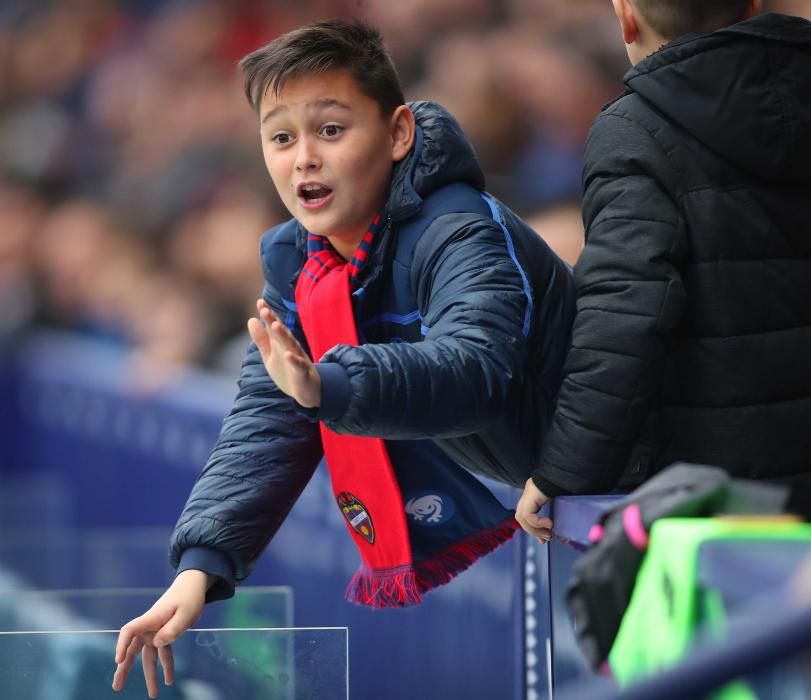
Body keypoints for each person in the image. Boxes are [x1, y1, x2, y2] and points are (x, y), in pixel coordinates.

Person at [112, 19, 575, 697]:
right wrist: (197, 572)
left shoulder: (459, 228)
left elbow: (476, 367)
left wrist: (327, 383)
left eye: (330, 130)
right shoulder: (300, 266)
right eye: (280, 137)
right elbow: (267, 422)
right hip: (565, 499)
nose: (303, 158)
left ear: (397, 135)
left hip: (641, 480)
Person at [516, 0, 811, 540]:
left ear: (626, 17)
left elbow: (623, 318)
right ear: (752, 5)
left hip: (725, 505)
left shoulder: (636, 129)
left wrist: (567, 468)